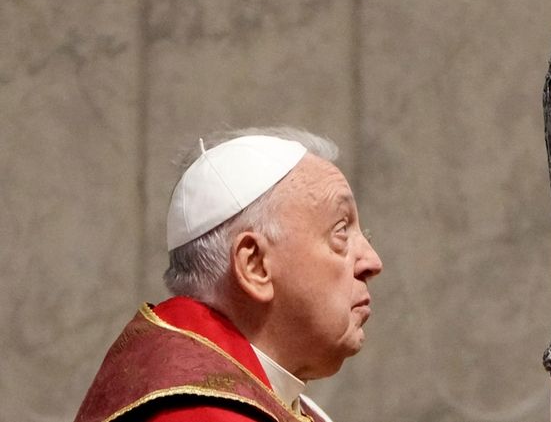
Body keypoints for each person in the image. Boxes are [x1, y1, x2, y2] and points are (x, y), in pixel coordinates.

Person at [75, 127, 383, 422]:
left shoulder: (277, 402)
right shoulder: (195, 415)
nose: (372, 261)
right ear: (255, 265)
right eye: (341, 230)